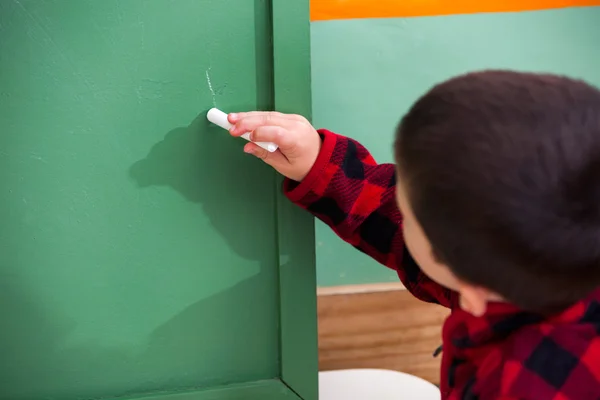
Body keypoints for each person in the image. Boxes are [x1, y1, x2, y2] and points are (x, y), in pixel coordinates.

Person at [227, 70, 600, 399]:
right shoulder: (526, 259)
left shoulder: (526, 384)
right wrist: (317, 163)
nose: (395, 201)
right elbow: (384, 214)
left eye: (405, 205)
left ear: (463, 277)